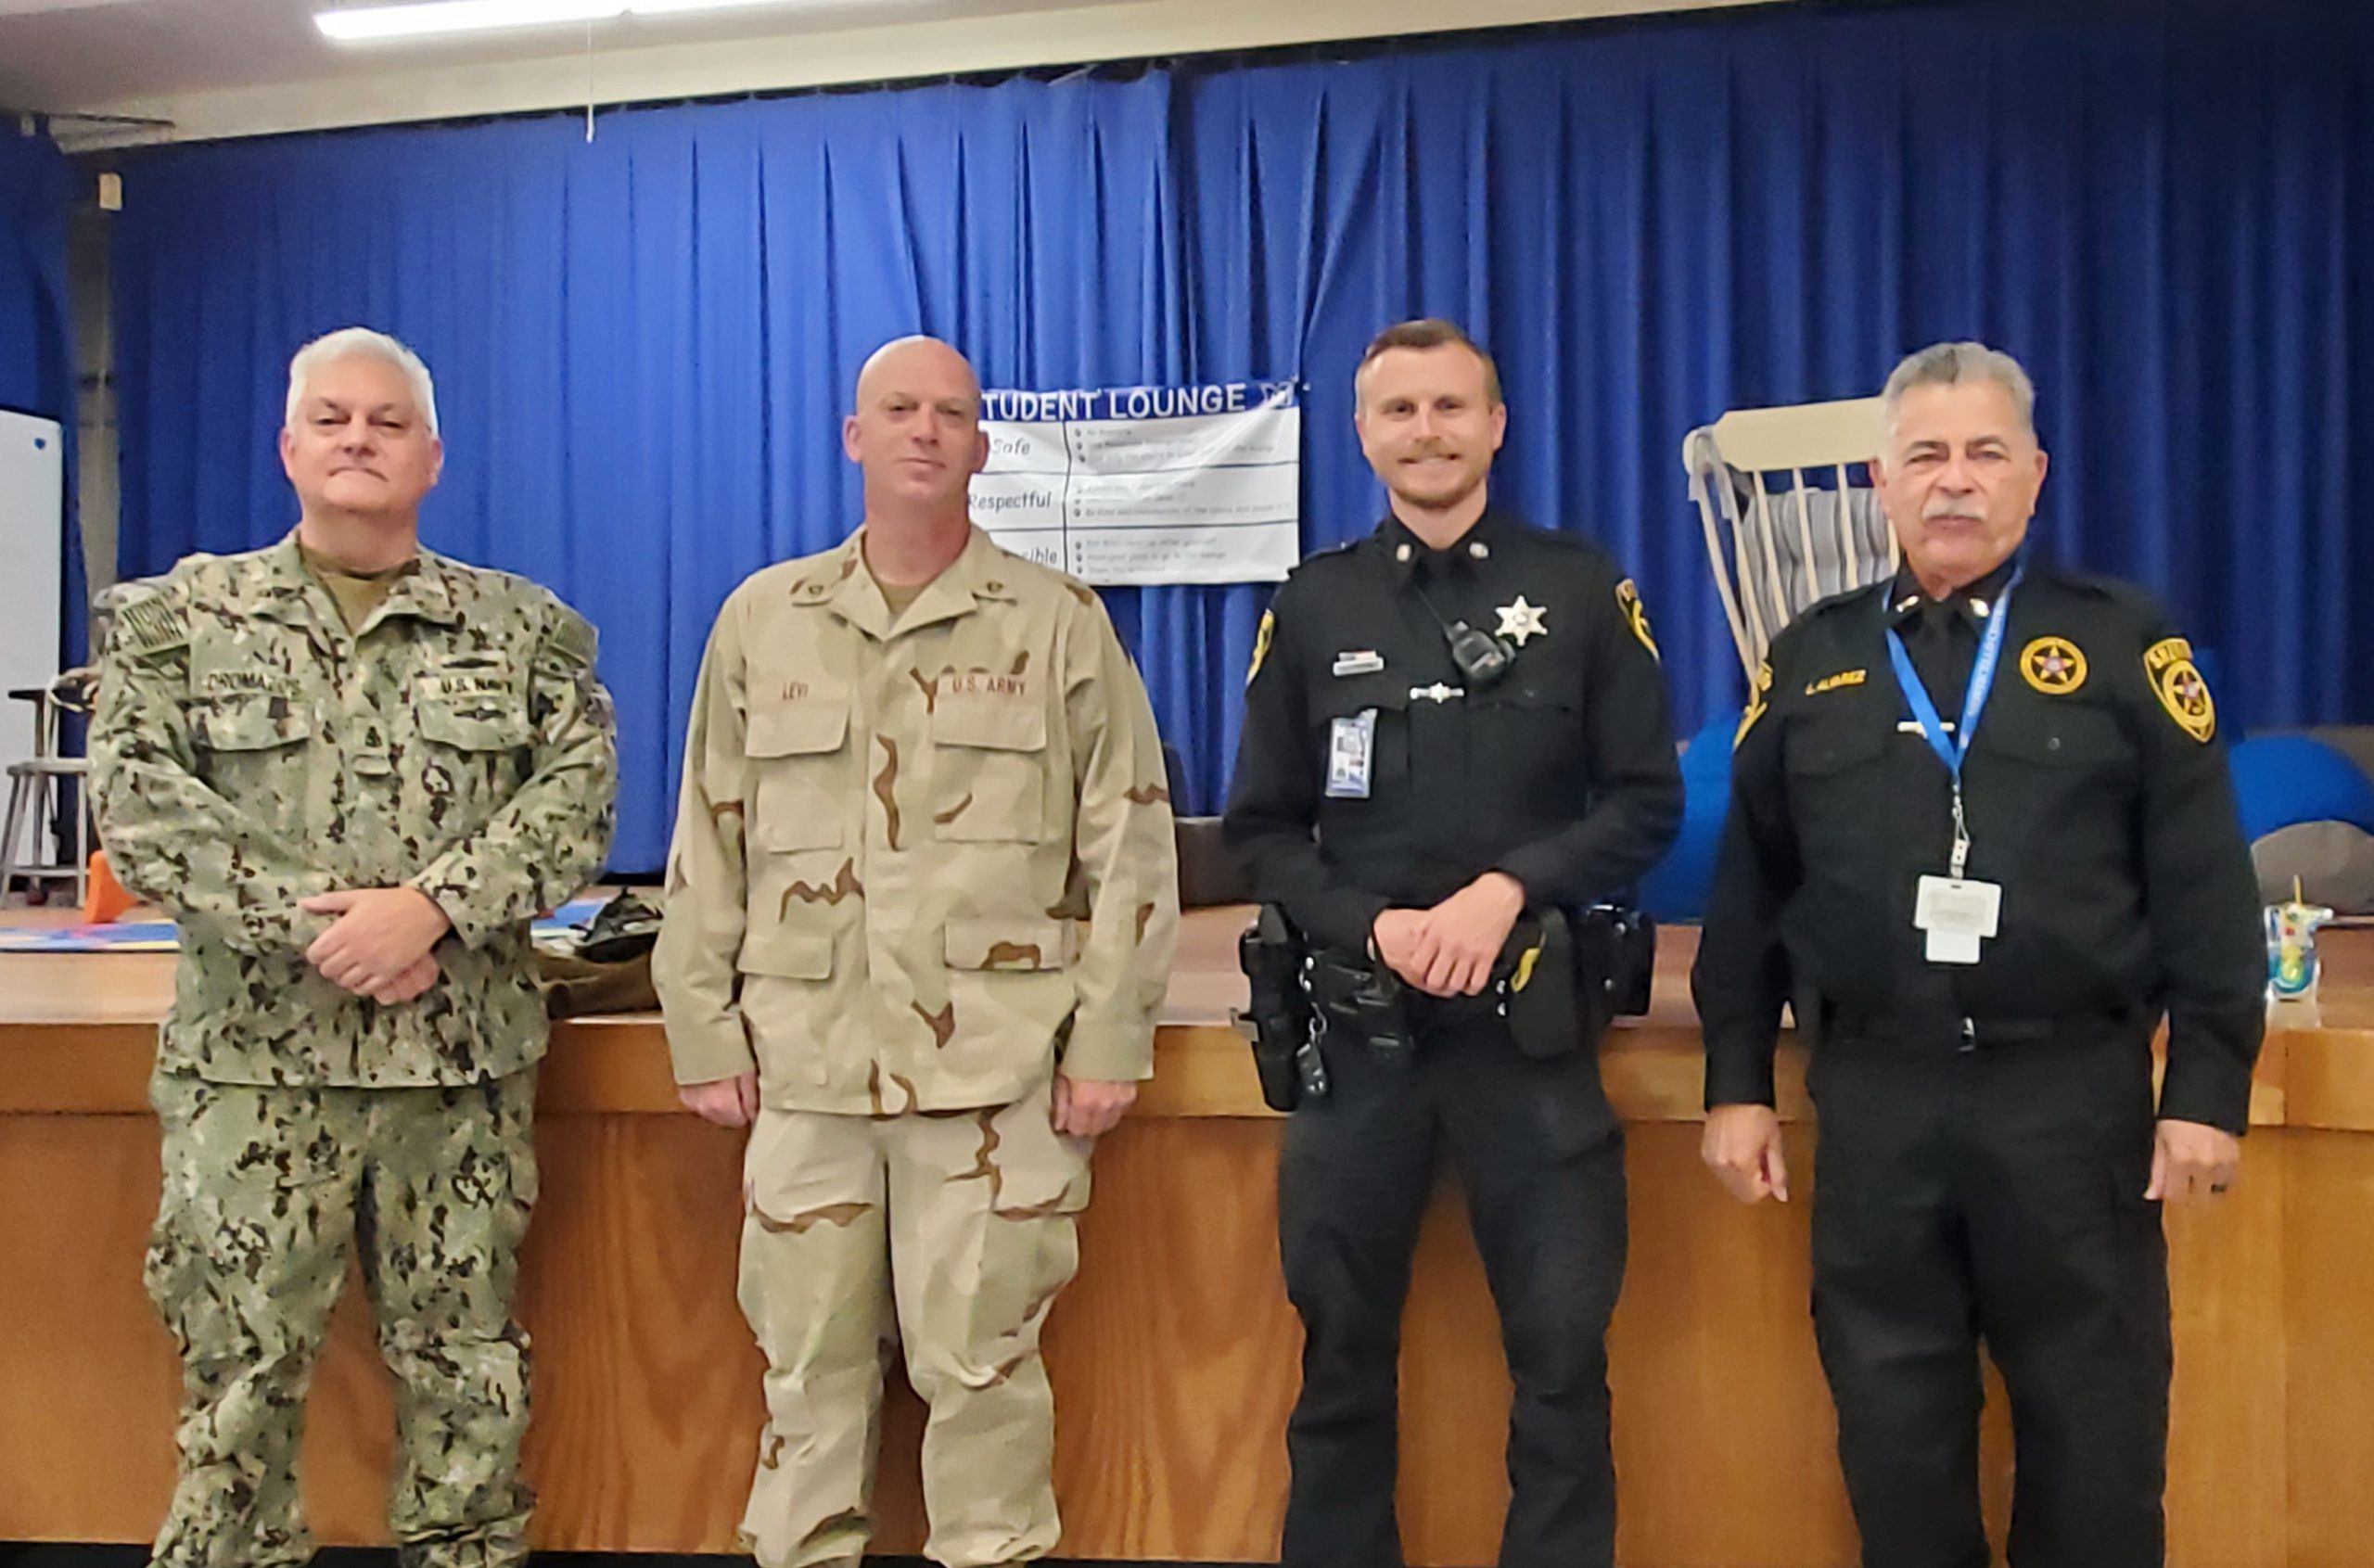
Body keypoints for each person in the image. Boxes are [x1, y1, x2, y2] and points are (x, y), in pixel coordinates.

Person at [1693, 340, 2264, 1568]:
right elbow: (1751, 889)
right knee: (1893, 1435)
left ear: (2035, 475)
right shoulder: (1811, 657)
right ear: (1880, 480)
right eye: (1926, 456)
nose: (1954, 479)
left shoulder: (2120, 644)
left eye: (1985, 453)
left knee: (2097, 1435)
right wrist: (1735, 1080)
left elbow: (2207, 883)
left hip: (2070, 1101)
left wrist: (2209, 1089)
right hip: (1878, 1098)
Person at [89, 326, 619, 1568]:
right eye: (332, 420)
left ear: (432, 457)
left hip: (456, 1076)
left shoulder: (523, 631)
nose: (358, 441)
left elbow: (577, 804)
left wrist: (428, 909)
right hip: (255, 1075)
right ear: (288, 448)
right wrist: (334, 929)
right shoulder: (181, 621)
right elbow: (144, 809)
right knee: (237, 1378)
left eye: (387, 423)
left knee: (467, 1375)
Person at [652, 335, 1179, 1568]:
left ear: (982, 446)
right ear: (856, 437)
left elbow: (1131, 839)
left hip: (992, 1079)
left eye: (950, 413)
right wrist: (699, 1024)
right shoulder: (764, 619)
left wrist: (1110, 1037)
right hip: (807, 1071)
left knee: (983, 1374)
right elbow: (708, 837)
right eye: (899, 409)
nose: (926, 431)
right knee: (805, 1373)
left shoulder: (1057, 623)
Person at [1223, 318, 1682, 1568]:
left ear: (1496, 425)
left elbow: (1646, 803)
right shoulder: (1314, 603)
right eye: (1400, 410)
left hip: (1528, 1046)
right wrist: (1370, 923)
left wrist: (1507, 892)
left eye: (1450, 407)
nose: (1426, 432)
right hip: (1357, 1043)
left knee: (1561, 1360)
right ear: (1363, 433)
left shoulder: (1580, 591)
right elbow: (1260, 830)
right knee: (1339, 1360)